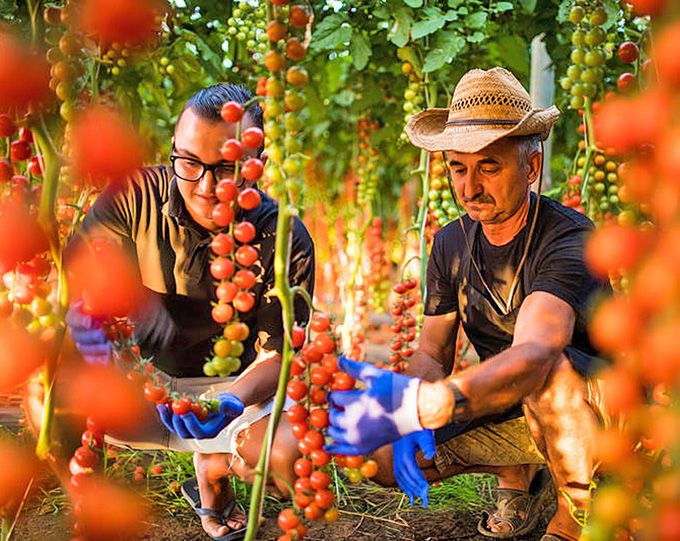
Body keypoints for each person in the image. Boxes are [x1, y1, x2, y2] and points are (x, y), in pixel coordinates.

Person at [325, 68, 610, 541]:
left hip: (594, 406)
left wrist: (438, 402)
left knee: (546, 374)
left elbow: (538, 352)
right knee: (378, 458)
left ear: (532, 167)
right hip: (515, 404)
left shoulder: (569, 237)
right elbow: (433, 352)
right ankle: (521, 474)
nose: (470, 187)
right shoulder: (450, 243)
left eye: (489, 167)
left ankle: (579, 515)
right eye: (459, 168)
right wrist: (405, 409)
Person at [66, 84, 315, 541]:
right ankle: (95, 497)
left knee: (289, 449)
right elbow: (83, 292)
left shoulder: (282, 237)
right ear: (174, 152)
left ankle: (216, 469)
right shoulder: (129, 196)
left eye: (225, 168)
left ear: (256, 165)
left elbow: (283, 356)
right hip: (132, 389)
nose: (204, 185)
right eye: (189, 163)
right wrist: (111, 348)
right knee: (51, 392)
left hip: (229, 396)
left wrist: (234, 401)